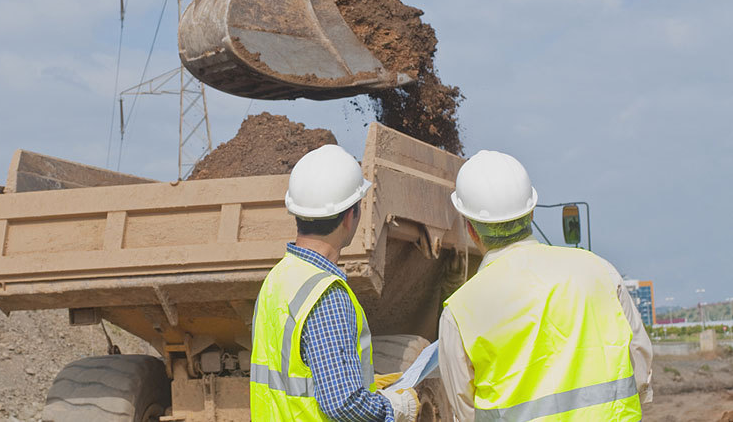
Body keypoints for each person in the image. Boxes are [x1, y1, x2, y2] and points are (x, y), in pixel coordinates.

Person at [439, 150, 653, 421]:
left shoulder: (460, 313)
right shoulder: (601, 272)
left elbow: (464, 413)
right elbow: (640, 367)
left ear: (470, 229)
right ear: (530, 213)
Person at [250, 144, 418, 421]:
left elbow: (295, 372)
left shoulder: (278, 277)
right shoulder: (327, 295)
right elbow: (342, 403)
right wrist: (394, 409)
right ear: (351, 216)